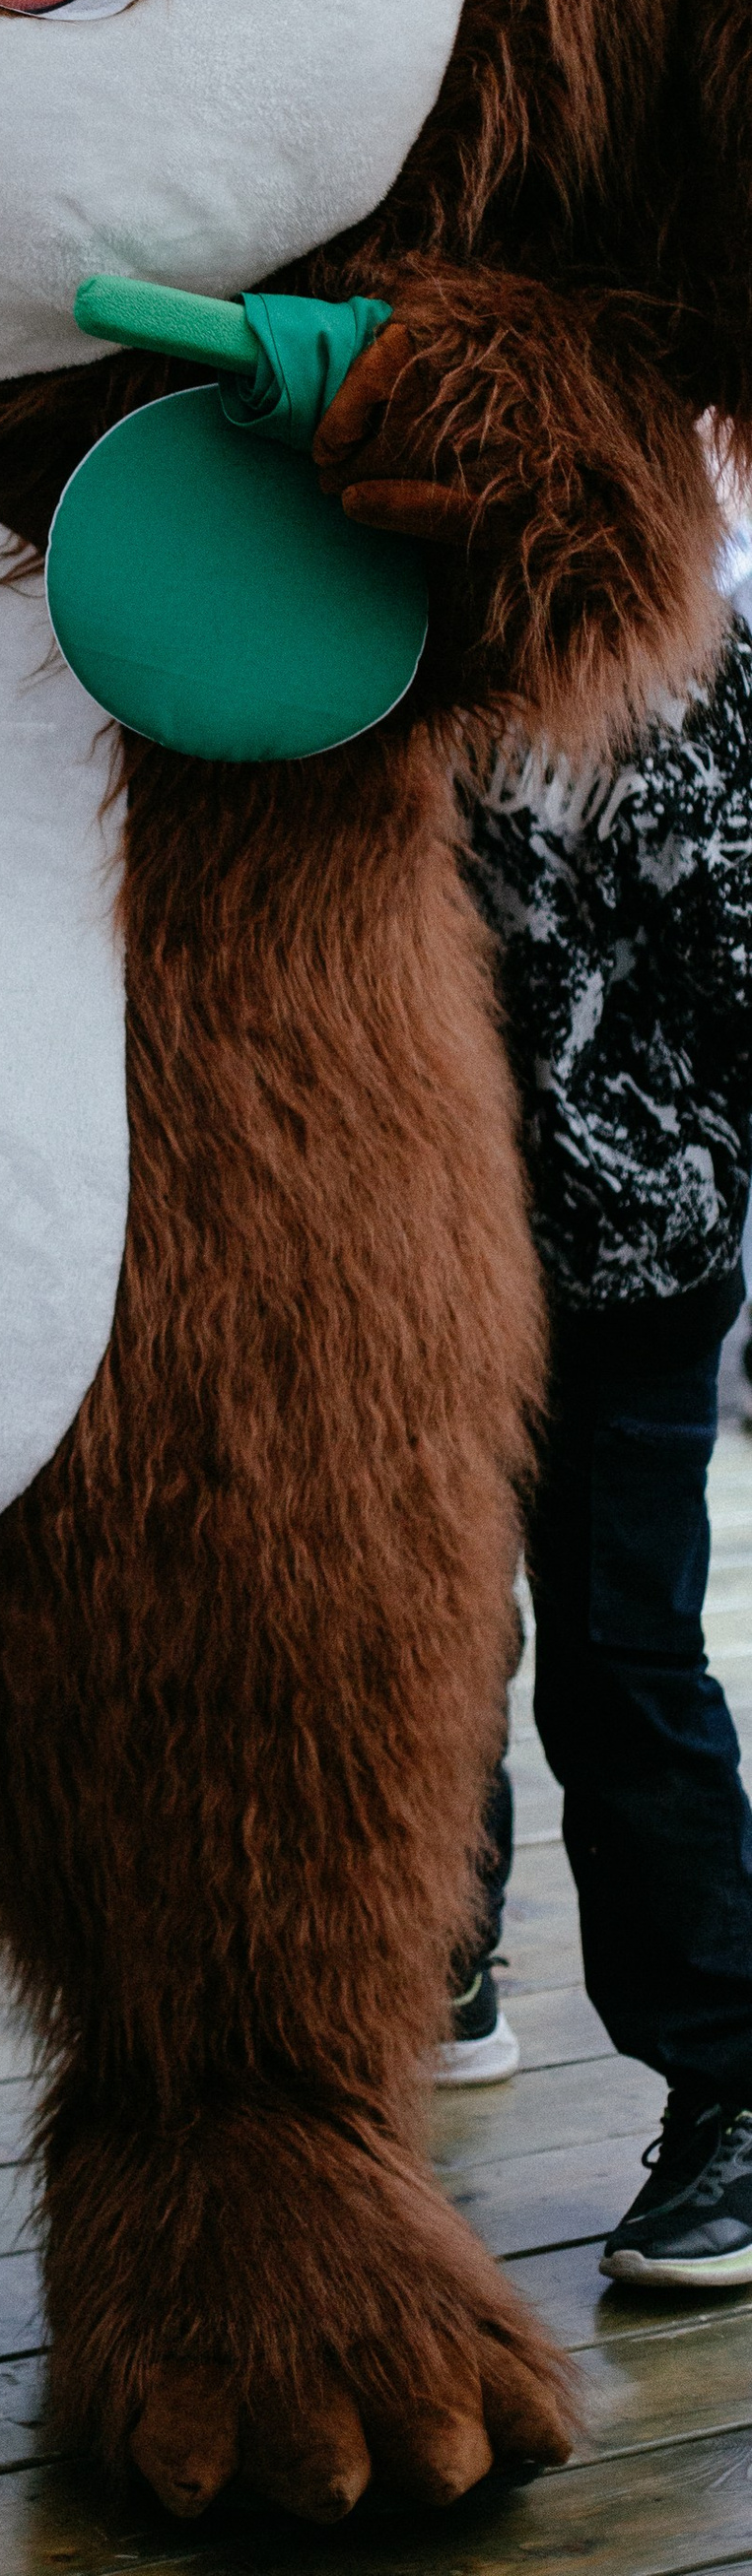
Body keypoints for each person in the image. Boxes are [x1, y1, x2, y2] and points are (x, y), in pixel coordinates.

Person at [456, 600, 752, 2281]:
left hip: (622, 1257)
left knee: (621, 1669)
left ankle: (734, 2085)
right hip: (405, 1256)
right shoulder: (375, 640)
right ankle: (437, 1954)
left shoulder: (679, 659)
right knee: (405, 1637)